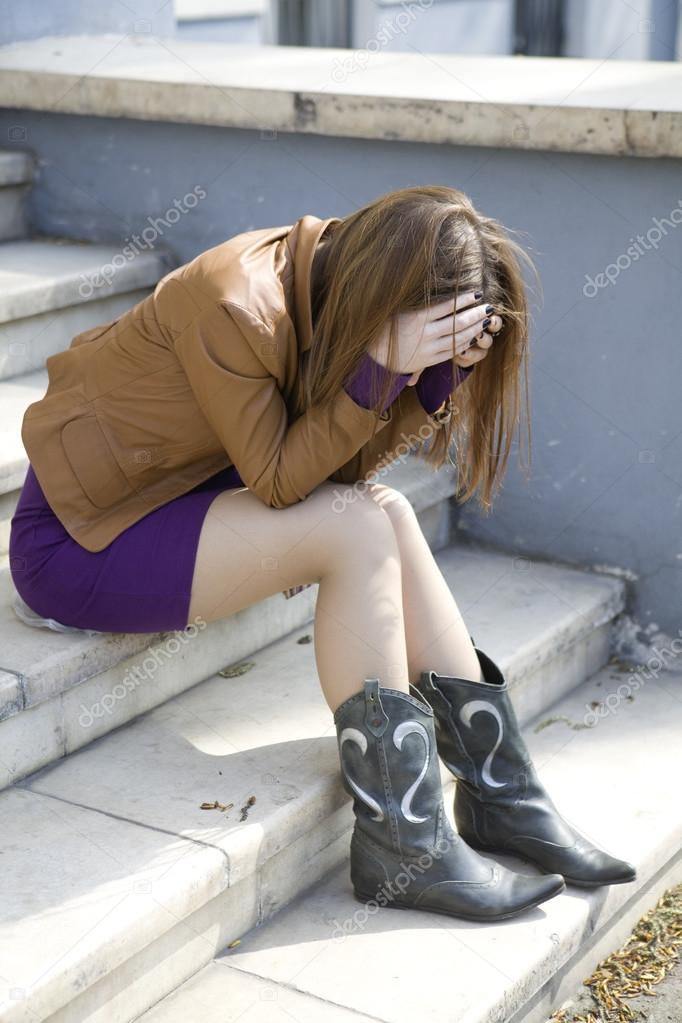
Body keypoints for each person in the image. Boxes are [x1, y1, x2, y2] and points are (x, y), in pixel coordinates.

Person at [9, 185, 635, 922]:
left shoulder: (343, 281)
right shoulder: (233, 302)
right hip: (86, 539)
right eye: (432, 335)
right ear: (385, 293)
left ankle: (503, 797)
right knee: (355, 527)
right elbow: (281, 484)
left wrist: (434, 375)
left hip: (187, 501)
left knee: (387, 511)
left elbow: (338, 473)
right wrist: (381, 370)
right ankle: (403, 845)